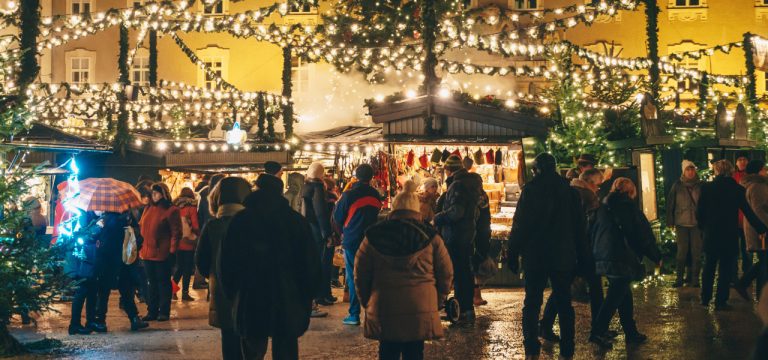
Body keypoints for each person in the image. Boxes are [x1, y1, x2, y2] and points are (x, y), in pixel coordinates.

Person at [220, 173, 321, 360]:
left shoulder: (240, 221)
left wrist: (232, 293)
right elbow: (309, 261)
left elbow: (227, 262)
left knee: (252, 347)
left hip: (250, 294)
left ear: (256, 189)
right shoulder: (295, 221)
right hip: (287, 295)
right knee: (286, 347)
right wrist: (308, 293)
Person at [355, 180, 454, 360]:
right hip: (420, 308)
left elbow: (360, 274)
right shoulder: (431, 237)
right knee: (414, 353)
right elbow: (446, 273)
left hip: (384, 306)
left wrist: (367, 302)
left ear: (394, 207)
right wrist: (436, 301)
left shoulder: (373, 235)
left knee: (387, 352)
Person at [507, 153, 587, 359]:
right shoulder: (570, 193)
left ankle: (531, 346)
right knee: (564, 302)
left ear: (537, 169)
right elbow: (579, 228)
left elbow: (520, 225)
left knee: (532, 301)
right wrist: (583, 257)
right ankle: (568, 347)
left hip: (535, 255)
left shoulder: (530, 191)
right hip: (562, 255)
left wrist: (513, 251)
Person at [589, 178, 662, 349]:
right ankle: (597, 331)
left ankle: (631, 332)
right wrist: (656, 256)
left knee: (623, 293)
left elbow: (592, 230)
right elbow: (643, 235)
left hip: (603, 255)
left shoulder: (603, 206)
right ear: (630, 192)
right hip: (621, 256)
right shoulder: (629, 208)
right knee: (615, 296)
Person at [539, 168, 605, 342]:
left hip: (567, 248)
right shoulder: (588, 196)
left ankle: (545, 325)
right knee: (596, 289)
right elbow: (588, 225)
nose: (599, 189)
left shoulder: (570, 191)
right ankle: (598, 329)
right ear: (590, 183)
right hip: (583, 249)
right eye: (598, 185)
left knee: (561, 288)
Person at [698, 160, 767, 310]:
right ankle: (720, 301)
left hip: (711, 234)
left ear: (716, 171)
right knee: (725, 269)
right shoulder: (737, 189)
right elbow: (748, 212)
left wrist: (704, 228)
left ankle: (705, 298)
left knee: (709, 266)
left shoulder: (707, 188)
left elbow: (699, 212)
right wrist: (761, 228)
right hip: (729, 234)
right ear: (730, 171)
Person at [196, 176, 251, 360]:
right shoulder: (253, 224)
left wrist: (214, 275)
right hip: (251, 290)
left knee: (228, 339)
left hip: (221, 291)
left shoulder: (212, 226)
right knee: (250, 340)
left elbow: (201, 261)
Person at [333, 164, 383, 326]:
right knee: (371, 275)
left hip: (352, 239)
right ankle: (372, 312)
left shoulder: (348, 195)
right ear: (371, 177)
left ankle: (354, 314)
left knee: (354, 275)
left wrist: (342, 233)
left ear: (355, 176)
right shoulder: (376, 195)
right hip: (371, 239)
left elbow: (337, 217)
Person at [434, 155, 482, 323]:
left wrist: (438, 218)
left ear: (448, 170)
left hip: (456, 235)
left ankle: (462, 311)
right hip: (467, 234)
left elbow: (456, 211)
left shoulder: (457, 185)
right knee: (464, 274)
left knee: (458, 274)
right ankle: (466, 310)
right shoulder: (471, 183)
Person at [92, 211, 149, 332]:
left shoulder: (104, 221)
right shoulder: (128, 219)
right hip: (124, 262)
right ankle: (134, 318)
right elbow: (138, 240)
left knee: (103, 292)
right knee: (127, 292)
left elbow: (100, 242)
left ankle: (100, 321)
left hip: (107, 262)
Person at [139, 183, 181, 322]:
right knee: (151, 283)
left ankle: (164, 311)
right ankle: (152, 311)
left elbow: (176, 232)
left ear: (164, 194)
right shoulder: (148, 208)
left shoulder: (171, 210)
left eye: (157, 193)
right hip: (147, 252)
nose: (154, 195)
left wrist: (172, 251)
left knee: (163, 283)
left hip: (162, 253)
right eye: (153, 193)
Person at [303, 162, 336, 307]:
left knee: (317, 262)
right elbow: (320, 212)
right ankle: (321, 295)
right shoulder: (317, 188)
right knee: (324, 263)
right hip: (318, 231)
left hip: (309, 230)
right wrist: (327, 234)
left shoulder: (305, 187)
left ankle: (324, 294)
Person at [735, 160, 768, 302]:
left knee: (764, 261)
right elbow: (759, 209)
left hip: (755, 228)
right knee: (765, 262)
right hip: (761, 230)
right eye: (764, 169)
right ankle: (759, 294)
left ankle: (745, 284)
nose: (766, 171)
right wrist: (764, 227)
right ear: (758, 171)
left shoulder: (749, 184)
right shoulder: (758, 186)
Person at [666, 160, 703, 288]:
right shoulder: (677, 185)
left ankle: (694, 279)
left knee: (696, 253)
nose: (690, 172)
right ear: (684, 171)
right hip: (681, 223)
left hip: (697, 223)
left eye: (692, 169)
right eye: (688, 169)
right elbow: (671, 203)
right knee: (681, 253)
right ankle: (679, 278)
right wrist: (670, 220)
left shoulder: (701, 185)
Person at [63, 213, 101, 335]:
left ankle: (89, 322)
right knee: (81, 293)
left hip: (89, 261)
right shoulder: (84, 216)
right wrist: (98, 227)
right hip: (82, 262)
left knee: (92, 292)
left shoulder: (91, 216)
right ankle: (74, 325)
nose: (101, 210)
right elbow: (84, 236)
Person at [195, 173, 225, 290]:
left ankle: (202, 281)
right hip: (216, 227)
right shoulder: (219, 194)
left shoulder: (203, 193)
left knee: (206, 254)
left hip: (205, 227)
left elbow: (200, 214)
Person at [172, 187, 200, 301]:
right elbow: (195, 225)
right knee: (187, 268)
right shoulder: (191, 207)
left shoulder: (175, 206)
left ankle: (172, 291)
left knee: (179, 267)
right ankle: (185, 293)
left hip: (178, 241)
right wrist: (198, 234)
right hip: (188, 242)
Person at [735, 151, 754, 278]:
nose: (742, 161)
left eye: (744, 159)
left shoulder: (753, 177)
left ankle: (747, 273)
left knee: (748, 248)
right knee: (734, 249)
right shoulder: (733, 177)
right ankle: (734, 273)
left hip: (747, 218)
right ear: (736, 162)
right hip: (735, 218)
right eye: (740, 159)